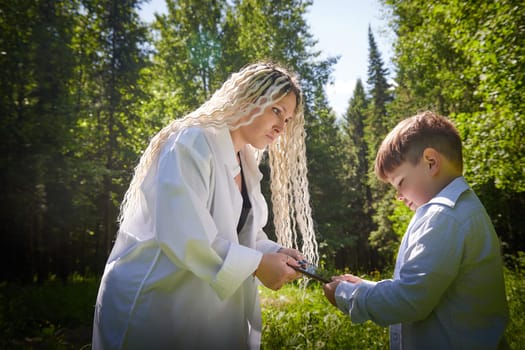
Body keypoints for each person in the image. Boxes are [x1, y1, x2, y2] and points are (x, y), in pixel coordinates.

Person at [92, 62, 319, 349]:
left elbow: (241, 235)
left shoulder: (246, 162)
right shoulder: (192, 141)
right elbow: (187, 236)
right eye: (276, 110)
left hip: (198, 311)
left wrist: (275, 252)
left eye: (286, 120)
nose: (280, 126)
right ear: (248, 98)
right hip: (153, 304)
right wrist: (258, 265)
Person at [323, 111, 509, 349]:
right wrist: (365, 287)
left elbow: (409, 301)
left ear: (431, 162)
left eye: (400, 182)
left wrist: (346, 296)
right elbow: (420, 287)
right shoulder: (461, 209)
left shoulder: (443, 216)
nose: (398, 196)